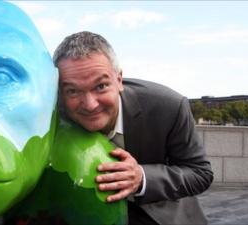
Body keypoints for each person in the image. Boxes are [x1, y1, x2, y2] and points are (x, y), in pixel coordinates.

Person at [53, 31, 213, 225]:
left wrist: (142, 178)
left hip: (163, 216)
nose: (90, 104)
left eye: (101, 86)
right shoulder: (50, 117)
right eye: (73, 91)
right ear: (59, 91)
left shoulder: (168, 106)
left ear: (119, 79)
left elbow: (200, 173)